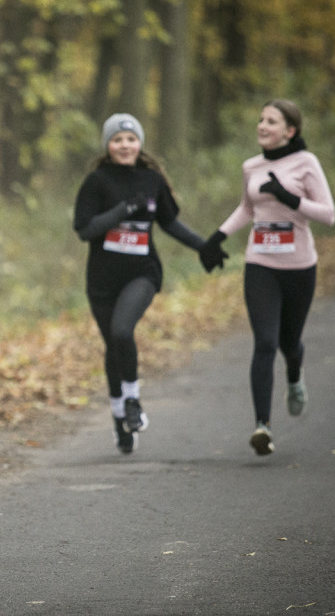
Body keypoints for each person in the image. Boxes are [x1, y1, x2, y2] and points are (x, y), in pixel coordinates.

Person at [200, 99, 335, 456]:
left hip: (299, 268)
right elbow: (248, 207)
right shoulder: (252, 166)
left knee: (288, 344)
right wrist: (217, 237)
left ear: (289, 131)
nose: (262, 125)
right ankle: (263, 426)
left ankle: (295, 373)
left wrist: (290, 198)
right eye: (260, 119)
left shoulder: (306, 163)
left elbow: (328, 214)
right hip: (260, 265)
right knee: (264, 341)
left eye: (271, 121)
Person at [74, 114, 214, 455]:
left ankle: (133, 400)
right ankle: (120, 417)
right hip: (102, 280)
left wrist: (205, 246)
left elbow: (170, 222)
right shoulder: (97, 181)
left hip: (142, 273)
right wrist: (122, 210)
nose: (125, 145)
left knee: (123, 332)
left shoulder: (151, 179)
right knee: (113, 347)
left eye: (131, 139)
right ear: (108, 145)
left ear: (140, 143)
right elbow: (84, 230)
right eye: (118, 139)